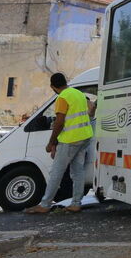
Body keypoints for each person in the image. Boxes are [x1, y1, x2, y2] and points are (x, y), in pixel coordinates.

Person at [25, 73, 95, 213]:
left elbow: (59, 122)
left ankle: (44, 205)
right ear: (66, 82)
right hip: (85, 137)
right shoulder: (78, 93)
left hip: (70, 140)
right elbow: (92, 109)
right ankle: (76, 203)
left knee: (56, 172)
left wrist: (51, 142)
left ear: (52, 87)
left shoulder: (62, 97)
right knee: (77, 172)